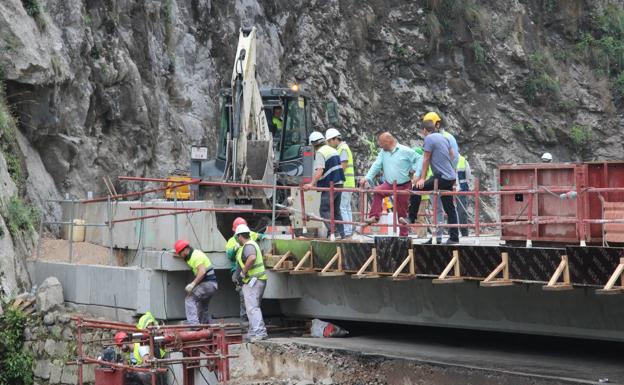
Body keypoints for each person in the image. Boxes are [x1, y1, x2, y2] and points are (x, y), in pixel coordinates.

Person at [360, 131, 418, 237]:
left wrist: (415, 172)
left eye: (381, 143)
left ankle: (403, 235)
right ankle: (374, 216)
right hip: (389, 183)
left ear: (388, 141)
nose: (380, 145)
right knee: (378, 191)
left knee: (401, 211)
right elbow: (376, 165)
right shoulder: (383, 152)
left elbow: (419, 159)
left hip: (404, 184)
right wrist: (367, 177)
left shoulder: (406, 151)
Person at [411, 120, 459, 244]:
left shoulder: (429, 139)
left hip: (441, 177)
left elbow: (426, 159)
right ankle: (454, 237)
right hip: (450, 177)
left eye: (422, 132)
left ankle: (411, 217)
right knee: (449, 207)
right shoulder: (444, 138)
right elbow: (453, 156)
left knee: (416, 189)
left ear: (425, 130)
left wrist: (422, 178)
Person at [423, 112, 461, 240]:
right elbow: (424, 159)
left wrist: (444, 173)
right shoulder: (435, 138)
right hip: (436, 178)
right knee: (437, 209)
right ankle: (437, 236)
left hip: (442, 178)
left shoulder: (447, 137)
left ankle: (450, 236)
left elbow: (453, 158)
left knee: (446, 208)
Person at [304, 131, 345, 239]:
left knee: (324, 209)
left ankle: (334, 232)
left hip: (330, 185)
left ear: (313, 144)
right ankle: (341, 234)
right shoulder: (332, 150)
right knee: (336, 210)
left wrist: (311, 184)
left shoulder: (320, 153)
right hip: (339, 183)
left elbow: (320, 170)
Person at [234, 224, 268, 342]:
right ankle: (253, 332)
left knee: (252, 308)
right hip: (259, 280)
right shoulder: (253, 244)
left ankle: (259, 332)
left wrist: (243, 273)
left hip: (253, 281)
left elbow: (252, 258)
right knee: (254, 307)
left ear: (239, 236)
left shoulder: (248, 246)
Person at [224, 217, 263, 323]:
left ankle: (249, 321)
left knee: (250, 300)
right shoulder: (232, 241)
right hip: (239, 270)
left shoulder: (251, 236)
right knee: (244, 296)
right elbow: (230, 256)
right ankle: (245, 318)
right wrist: (234, 249)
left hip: (249, 272)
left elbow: (263, 237)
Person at [173, 240, 218, 325]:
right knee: (203, 306)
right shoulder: (192, 254)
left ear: (186, 250)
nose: (181, 256)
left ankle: (194, 325)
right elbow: (185, 257)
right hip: (211, 284)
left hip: (207, 284)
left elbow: (202, 271)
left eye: (180, 254)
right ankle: (204, 326)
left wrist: (192, 284)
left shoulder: (195, 256)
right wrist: (176, 254)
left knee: (189, 299)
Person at [325, 128, 355, 238]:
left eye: (329, 141)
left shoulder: (342, 149)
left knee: (342, 207)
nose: (329, 144)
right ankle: (348, 230)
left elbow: (343, 165)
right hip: (348, 183)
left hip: (344, 183)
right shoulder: (343, 148)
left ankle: (347, 231)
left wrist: (333, 176)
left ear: (335, 139)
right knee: (346, 207)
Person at [404, 146, 428, 238]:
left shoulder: (421, 167)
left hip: (421, 196)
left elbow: (415, 181)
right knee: (419, 216)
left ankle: (422, 235)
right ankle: (421, 234)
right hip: (418, 196)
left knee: (420, 217)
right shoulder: (418, 166)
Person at [456, 155, 472, 237]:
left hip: (461, 190)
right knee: (451, 212)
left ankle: (464, 233)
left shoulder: (462, 160)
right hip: (449, 189)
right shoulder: (445, 159)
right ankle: (453, 233)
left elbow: (468, 176)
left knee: (462, 212)